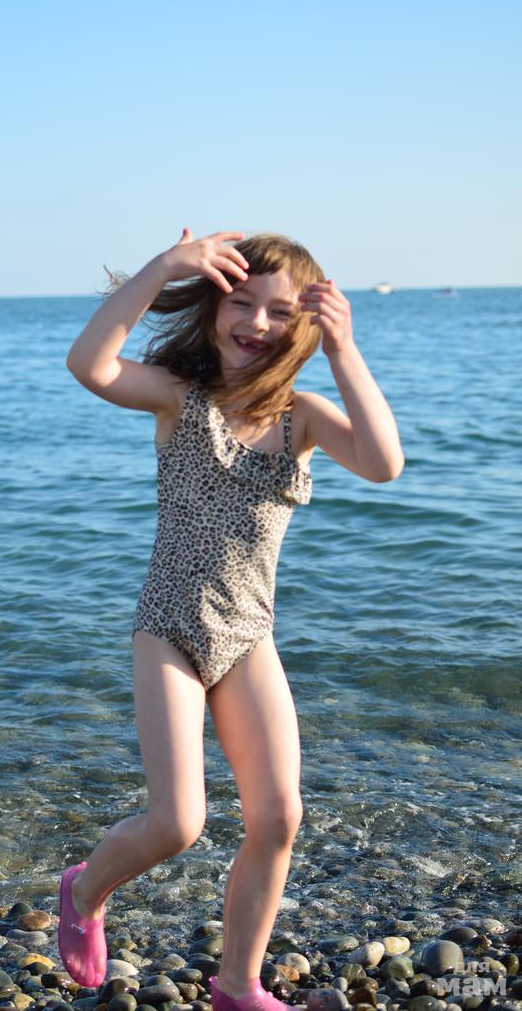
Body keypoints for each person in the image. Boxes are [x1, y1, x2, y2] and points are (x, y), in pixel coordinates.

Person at [59, 228, 404, 1011]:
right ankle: (83, 889)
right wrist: (163, 268)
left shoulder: (300, 418)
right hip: (170, 626)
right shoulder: (179, 397)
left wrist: (346, 351)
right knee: (178, 823)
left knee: (278, 817)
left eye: (280, 312)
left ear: (305, 326)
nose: (256, 322)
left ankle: (238, 985)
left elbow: (384, 464)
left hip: (248, 636)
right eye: (240, 303)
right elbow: (90, 365)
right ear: (213, 308)